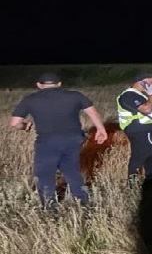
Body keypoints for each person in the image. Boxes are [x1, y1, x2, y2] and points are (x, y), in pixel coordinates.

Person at [8, 72, 108, 208]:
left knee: (45, 175)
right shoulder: (75, 96)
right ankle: (83, 204)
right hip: (74, 140)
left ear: (38, 85)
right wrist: (101, 129)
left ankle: (50, 208)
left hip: (47, 142)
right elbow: (92, 112)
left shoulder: (30, 99)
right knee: (74, 172)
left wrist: (25, 126)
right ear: (59, 84)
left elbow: (14, 123)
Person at [117, 73, 152, 188]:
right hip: (140, 131)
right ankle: (135, 185)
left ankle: (149, 184)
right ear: (140, 82)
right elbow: (147, 109)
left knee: (151, 154)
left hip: (145, 130)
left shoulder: (137, 95)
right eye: (151, 82)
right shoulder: (128, 96)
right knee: (143, 155)